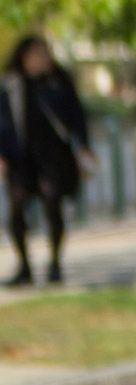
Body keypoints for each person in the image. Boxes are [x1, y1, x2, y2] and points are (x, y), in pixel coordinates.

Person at [1, 35, 92, 285]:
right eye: (38, 54)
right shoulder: (10, 84)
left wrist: (84, 146)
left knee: (53, 204)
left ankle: (54, 263)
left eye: (46, 54)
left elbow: (77, 115)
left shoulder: (58, 82)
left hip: (53, 157)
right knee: (16, 208)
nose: (44, 59)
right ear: (24, 56)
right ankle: (24, 266)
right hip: (21, 158)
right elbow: (2, 124)